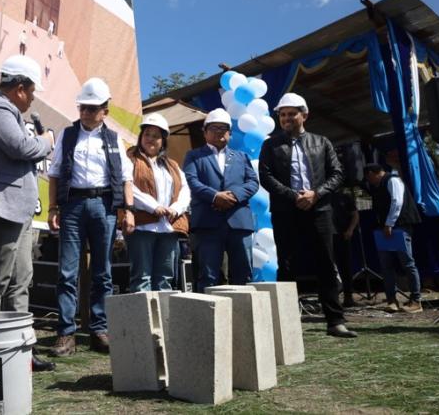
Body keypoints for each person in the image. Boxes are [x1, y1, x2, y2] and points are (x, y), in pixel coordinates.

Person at [0, 55, 56, 371]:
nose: (33, 98)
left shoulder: (9, 112)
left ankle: (22, 353)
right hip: (3, 209)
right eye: (32, 91)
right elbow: (22, 148)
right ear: (20, 88)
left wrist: (37, 141)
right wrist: (46, 141)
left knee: (21, 281)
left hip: (19, 211)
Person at [47, 77, 135, 357]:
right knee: (67, 271)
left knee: (103, 272)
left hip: (104, 206)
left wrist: (128, 210)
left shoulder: (114, 139)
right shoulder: (67, 134)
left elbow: (126, 177)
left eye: (92, 108)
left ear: (105, 111)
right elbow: (55, 173)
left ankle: (99, 330)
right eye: (83, 107)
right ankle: (66, 333)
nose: (86, 112)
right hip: (72, 205)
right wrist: (52, 208)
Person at [258, 93, 356, 338]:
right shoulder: (270, 145)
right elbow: (266, 177)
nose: (286, 118)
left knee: (326, 264)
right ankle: (286, 325)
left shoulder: (321, 142)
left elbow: (337, 173)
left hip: (319, 211)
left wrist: (316, 194)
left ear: (304, 115)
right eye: (282, 115)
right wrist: (294, 196)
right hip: (285, 212)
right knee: (287, 265)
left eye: (292, 114)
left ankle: (335, 321)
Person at [183, 108, 258, 292]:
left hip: (238, 222)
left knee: (243, 273)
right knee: (208, 275)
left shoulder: (241, 156)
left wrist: (233, 196)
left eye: (223, 128)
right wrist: (215, 196)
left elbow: (252, 182)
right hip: (207, 223)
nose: (219, 132)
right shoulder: (194, 156)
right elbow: (191, 181)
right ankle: (208, 311)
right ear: (205, 132)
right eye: (214, 128)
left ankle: (244, 310)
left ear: (230, 133)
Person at [127, 113, 190, 292]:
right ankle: (143, 312)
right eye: (147, 134)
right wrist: (153, 206)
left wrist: (176, 208)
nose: (150, 139)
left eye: (156, 136)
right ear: (141, 137)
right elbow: (128, 187)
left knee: (165, 279)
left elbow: (185, 190)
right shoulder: (130, 159)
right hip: (142, 227)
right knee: (142, 278)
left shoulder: (172, 165)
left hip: (168, 228)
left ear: (163, 141)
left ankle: (163, 311)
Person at [364, 164, 422, 313]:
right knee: (386, 266)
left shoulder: (392, 180)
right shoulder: (378, 187)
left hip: (399, 226)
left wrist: (389, 223)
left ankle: (416, 300)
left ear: (371, 173)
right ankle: (392, 300)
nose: (369, 182)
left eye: (369, 178)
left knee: (408, 264)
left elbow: (397, 201)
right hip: (384, 229)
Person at [331, 187, 359, 307]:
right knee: (329, 266)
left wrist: (350, 230)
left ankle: (348, 297)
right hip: (327, 236)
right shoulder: (322, 196)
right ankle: (333, 296)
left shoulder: (345, 196)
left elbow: (355, 214)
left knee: (345, 266)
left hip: (342, 235)